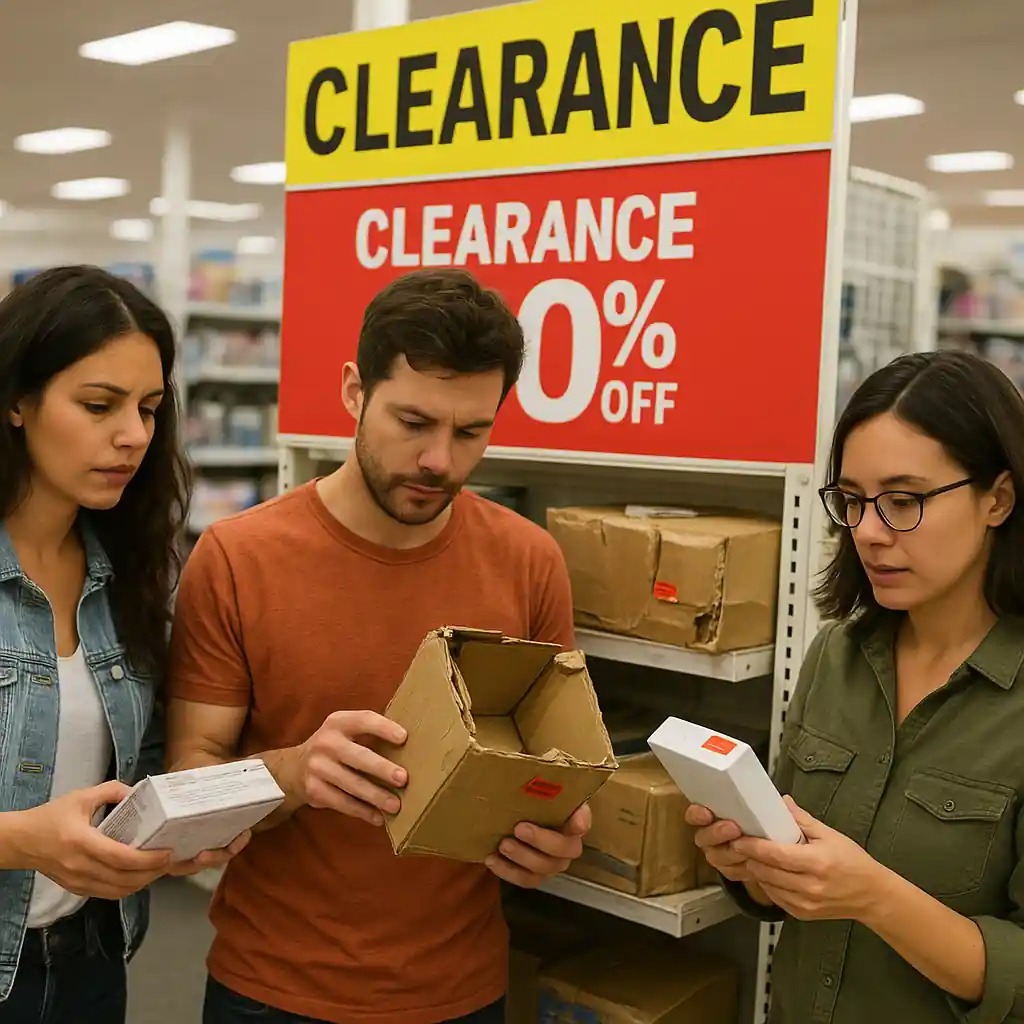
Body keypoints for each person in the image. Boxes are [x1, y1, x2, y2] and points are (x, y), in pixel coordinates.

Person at [166, 267, 590, 1024]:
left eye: (471, 432)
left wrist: (556, 832)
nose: (440, 461)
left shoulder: (530, 563)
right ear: (355, 392)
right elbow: (188, 788)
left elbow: (555, 763)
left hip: (461, 991)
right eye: (414, 422)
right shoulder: (238, 558)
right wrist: (294, 774)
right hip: (271, 990)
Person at [688, 349, 1024, 1023]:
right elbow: (788, 875)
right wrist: (747, 863)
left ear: (998, 498)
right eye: (852, 501)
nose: (868, 532)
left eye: (903, 501)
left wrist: (874, 896)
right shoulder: (838, 657)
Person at [0, 266, 249, 1024]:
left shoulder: (127, 574)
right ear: (15, 401)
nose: (134, 435)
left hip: (89, 960)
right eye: (99, 405)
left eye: (148, 408)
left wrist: (182, 824)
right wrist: (18, 840)